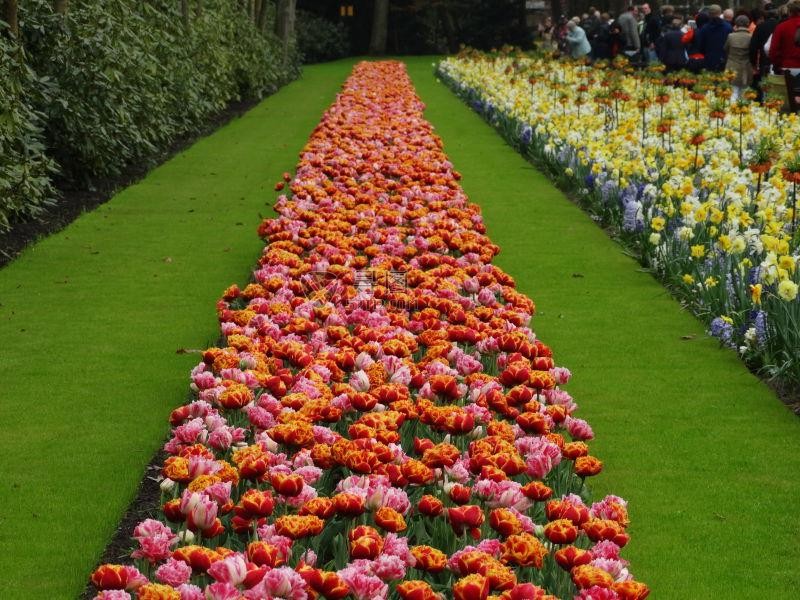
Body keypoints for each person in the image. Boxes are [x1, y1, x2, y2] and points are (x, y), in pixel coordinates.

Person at [750, 7, 779, 99]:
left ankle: (764, 102)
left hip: (764, 60)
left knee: (764, 83)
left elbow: (753, 47)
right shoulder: (780, 25)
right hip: (778, 59)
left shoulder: (760, 27)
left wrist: (753, 63)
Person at [695, 4, 733, 71]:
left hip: (709, 59)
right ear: (720, 13)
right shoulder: (728, 27)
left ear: (709, 14)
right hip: (723, 59)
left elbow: (700, 45)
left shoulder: (704, 28)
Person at [725, 15, 754, 99]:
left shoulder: (730, 36)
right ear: (748, 24)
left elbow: (726, 49)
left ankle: (731, 110)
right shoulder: (751, 37)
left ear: (736, 24)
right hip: (746, 67)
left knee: (732, 92)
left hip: (732, 66)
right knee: (744, 93)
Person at [768, 0, 800, 74]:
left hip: (788, 68)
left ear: (788, 11)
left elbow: (773, 50)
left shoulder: (781, 27)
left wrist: (777, 64)